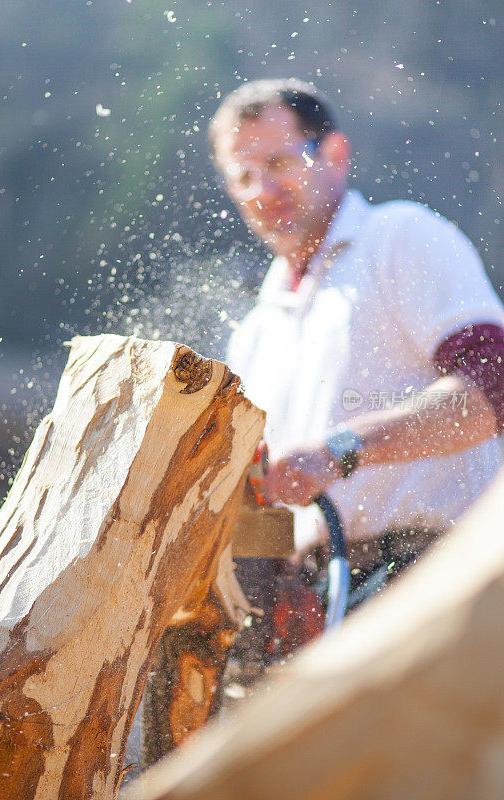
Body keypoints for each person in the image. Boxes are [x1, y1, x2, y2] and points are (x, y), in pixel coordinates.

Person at [209, 78, 504, 624]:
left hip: (451, 577)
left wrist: (339, 450)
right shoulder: (255, 333)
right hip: (316, 604)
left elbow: (496, 388)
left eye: (279, 162)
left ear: (335, 154)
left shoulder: (399, 237)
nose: (262, 191)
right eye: (243, 176)